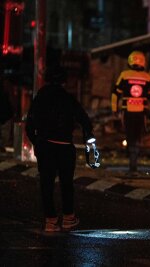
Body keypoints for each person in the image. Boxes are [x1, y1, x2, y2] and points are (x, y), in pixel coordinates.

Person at [26, 66, 96, 232]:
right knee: (66, 183)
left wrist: (37, 142)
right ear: (64, 81)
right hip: (65, 146)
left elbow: (30, 125)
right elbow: (84, 120)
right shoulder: (68, 98)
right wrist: (88, 137)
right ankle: (68, 217)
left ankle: (50, 220)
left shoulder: (40, 97)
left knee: (46, 183)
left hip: (45, 145)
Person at [111, 50, 150, 174]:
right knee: (138, 136)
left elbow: (115, 93)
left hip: (127, 112)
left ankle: (132, 163)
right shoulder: (148, 77)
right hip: (141, 113)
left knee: (129, 135)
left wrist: (114, 109)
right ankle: (134, 162)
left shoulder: (124, 75)